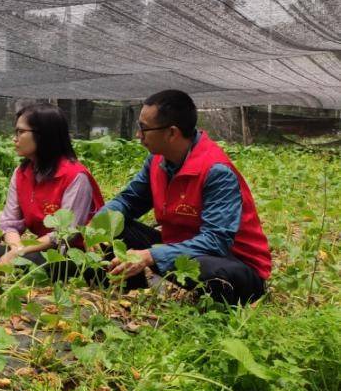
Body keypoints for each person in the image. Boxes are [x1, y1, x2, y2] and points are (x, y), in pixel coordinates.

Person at [95, 89, 271, 305]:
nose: (138, 135)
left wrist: (151, 256)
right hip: (180, 251)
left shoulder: (215, 171)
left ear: (172, 133)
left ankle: (216, 311)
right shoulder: (156, 162)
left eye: (144, 129)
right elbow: (128, 200)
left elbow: (216, 241)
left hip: (236, 266)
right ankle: (133, 296)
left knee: (209, 270)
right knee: (115, 224)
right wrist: (98, 224)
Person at [0, 102, 104, 276]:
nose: (15, 138)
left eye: (21, 132)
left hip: (75, 255)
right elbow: (9, 222)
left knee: (34, 263)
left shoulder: (75, 176)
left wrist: (20, 253)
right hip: (41, 250)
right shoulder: (21, 173)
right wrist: (15, 249)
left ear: (44, 135)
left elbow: (66, 233)